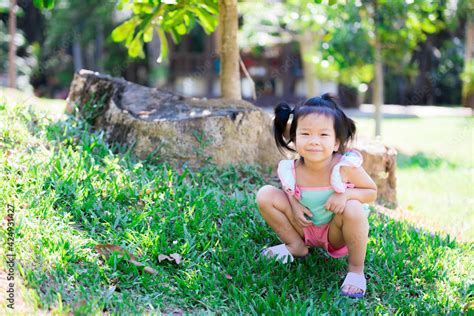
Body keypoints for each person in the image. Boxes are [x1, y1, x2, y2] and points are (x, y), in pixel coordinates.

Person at [256, 93, 377, 298]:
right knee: (265, 194)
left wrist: (345, 196)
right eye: (305, 134)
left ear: (336, 142)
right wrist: (294, 205)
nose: (314, 141)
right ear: (294, 139)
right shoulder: (290, 168)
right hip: (302, 226)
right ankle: (295, 246)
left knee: (354, 208)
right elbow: (288, 190)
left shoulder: (344, 166)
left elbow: (371, 192)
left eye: (323, 135)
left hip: (334, 231)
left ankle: (356, 270)